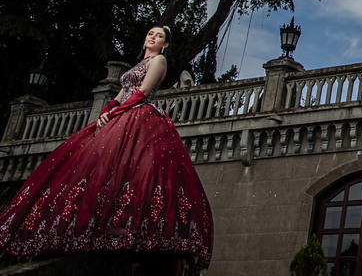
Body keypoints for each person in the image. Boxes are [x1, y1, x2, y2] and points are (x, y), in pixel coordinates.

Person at [0, 26, 213, 273]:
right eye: (151, 33)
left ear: (165, 44)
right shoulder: (138, 65)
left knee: (134, 171)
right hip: (121, 115)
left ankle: (123, 232)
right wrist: (107, 109)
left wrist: (115, 112)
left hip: (140, 117)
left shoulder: (160, 60)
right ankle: (87, 227)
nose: (153, 37)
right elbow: (122, 94)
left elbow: (143, 92)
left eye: (159, 36)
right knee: (92, 162)